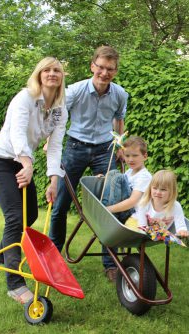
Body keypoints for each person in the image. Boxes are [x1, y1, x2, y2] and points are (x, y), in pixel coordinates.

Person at [0, 57, 68, 304]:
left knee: (29, 215)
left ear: (62, 77)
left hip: (24, 162)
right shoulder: (25, 98)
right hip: (0, 161)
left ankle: (2, 253)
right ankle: (15, 284)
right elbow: (16, 132)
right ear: (39, 74)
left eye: (57, 70)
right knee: (15, 217)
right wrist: (28, 164)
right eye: (47, 70)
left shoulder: (61, 109)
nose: (52, 74)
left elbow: (55, 146)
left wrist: (54, 180)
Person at [48, 45, 128, 272]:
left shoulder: (120, 94)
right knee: (61, 203)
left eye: (110, 69)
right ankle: (53, 257)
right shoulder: (74, 90)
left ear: (115, 71)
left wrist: (119, 145)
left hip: (105, 150)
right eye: (100, 67)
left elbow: (119, 120)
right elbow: (59, 117)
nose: (104, 73)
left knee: (109, 205)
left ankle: (110, 264)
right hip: (75, 147)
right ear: (92, 66)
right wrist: (50, 139)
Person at [98, 136, 152, 280]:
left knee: (116, 175)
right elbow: (117, 190)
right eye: (127, 156)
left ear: (145, 156)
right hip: (123, 211)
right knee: (114, 175)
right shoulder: (129, 172)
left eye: (135, 155)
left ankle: (105, 215)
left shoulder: (144, 176)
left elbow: (133, 201)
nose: (130, 159)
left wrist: (108, 209)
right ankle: (107, 217)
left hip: (133, 215)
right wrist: (105, 179)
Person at [126, 170, 189, 238]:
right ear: (150, 188)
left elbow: (180, 225)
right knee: (135, 230)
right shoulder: (145, 203)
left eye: (163, 189)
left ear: (172, 191)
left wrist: (182, 231)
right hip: (136, 225)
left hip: (155, 233)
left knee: (165, 236)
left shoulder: (175, 206)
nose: (158, 192)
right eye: (155, 188)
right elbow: (142, 226)